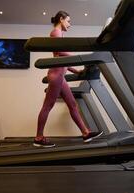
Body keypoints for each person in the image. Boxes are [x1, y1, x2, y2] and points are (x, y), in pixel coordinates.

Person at [33, 11, 103, 148]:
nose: (70, 25)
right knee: (48, 106)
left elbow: (62, 59)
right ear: (61, 19)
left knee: (72, 104)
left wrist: (76, 70)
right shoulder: (56, 32)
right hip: (56, 75)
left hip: (60, 75)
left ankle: (85, 133)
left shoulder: (60, 34)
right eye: (69, 21)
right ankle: (39, 137)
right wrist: (78, 59)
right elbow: (60, 53)